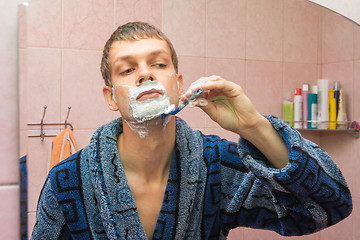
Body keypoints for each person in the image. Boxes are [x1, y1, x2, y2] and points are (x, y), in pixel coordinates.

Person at [31, 22, 352, 240]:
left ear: (179, 84)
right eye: (128, 69)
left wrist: (253, 125)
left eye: (158, 64)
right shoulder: (66, 182)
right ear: (111, 97)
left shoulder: (216, 166)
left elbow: (327, 207)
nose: (145, 74)